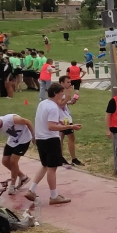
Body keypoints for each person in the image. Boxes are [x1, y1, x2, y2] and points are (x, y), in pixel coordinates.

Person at [23, 83, 79, 220]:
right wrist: (71, 126)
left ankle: (32, 189)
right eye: (61, 93)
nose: (62, 96)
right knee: (52, 168)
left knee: (44, 165)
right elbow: (51, 126)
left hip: (41, 138)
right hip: (50, 139)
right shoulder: (53, 107)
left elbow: (45, 121)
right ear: (55, 93)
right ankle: (54, 196)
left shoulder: (43, 104)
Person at [0, 113, 34, 194]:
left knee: (13, 161)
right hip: (13, 140)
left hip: (24, 139)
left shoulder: (10, 119)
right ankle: (23, 177)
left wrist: (34, 136)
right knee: (5, 161)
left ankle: (12, 186)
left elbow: (27, 122)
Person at [57, 76, 82, 167]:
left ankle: (60, 157)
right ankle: (73, 158)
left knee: (61, 138)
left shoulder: (63, 92)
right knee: (71, 138)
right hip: (64, 119)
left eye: (70, 82)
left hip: (63, 117)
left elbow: (64, 103)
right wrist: (68, 95)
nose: (70, 84)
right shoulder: (59, 93)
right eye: (67, 82)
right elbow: (60, 104)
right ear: (62, 83)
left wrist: (71, 101)